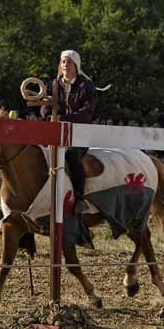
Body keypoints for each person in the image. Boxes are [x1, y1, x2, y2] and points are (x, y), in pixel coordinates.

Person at [40, 50, 98, 213]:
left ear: (76, 65)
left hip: (79, 133)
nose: (65, 65)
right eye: (63, 62)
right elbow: (45, 108)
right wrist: (46, 110)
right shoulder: (55, 84)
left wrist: (63, 118)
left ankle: (79, 197)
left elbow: (87, 112)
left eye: (68, 62)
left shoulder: (86, 85)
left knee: (72, 154)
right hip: (56, 132)